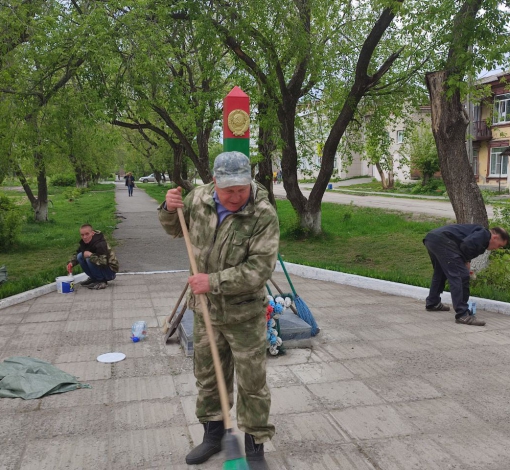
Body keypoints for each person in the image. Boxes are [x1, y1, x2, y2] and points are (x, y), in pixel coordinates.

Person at [158, 151, 279, 470]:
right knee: (209, 377)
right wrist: (170, 209)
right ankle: (213, 436)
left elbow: (260, 268)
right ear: (215, 183)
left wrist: (212, 281)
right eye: (229, 191)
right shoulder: (198, 199)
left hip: (244, 314)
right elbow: (174, 229)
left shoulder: (262, 212)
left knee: (252, 381)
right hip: (205, 310)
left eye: (242, 188)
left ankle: (254, 446)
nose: (237, 196)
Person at [423, 224, 508, 326]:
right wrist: (465, 261)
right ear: (495, 237)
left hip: (432, 238)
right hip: (443, 241)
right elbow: (466, 245)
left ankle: (433, 302)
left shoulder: (480, 233)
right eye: (499, 245)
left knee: (440, 272)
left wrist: (465, 261)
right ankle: (462, 314)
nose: (496, 248)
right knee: (461, 276)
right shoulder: (484, 235)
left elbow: (466, 245)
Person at [67, 224, 119, 290]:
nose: (84, 237)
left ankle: (101, 281)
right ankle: (94, 278)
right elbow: (78, 253)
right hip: (102, 268)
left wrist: (90, 255)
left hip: (110, 272)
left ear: (92, 233)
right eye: (82, 235)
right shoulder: (84, 242)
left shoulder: (100, 244)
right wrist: (71, 263)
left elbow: (103, 262)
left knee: (89, 259)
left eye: (87, 234)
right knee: (80, 256)